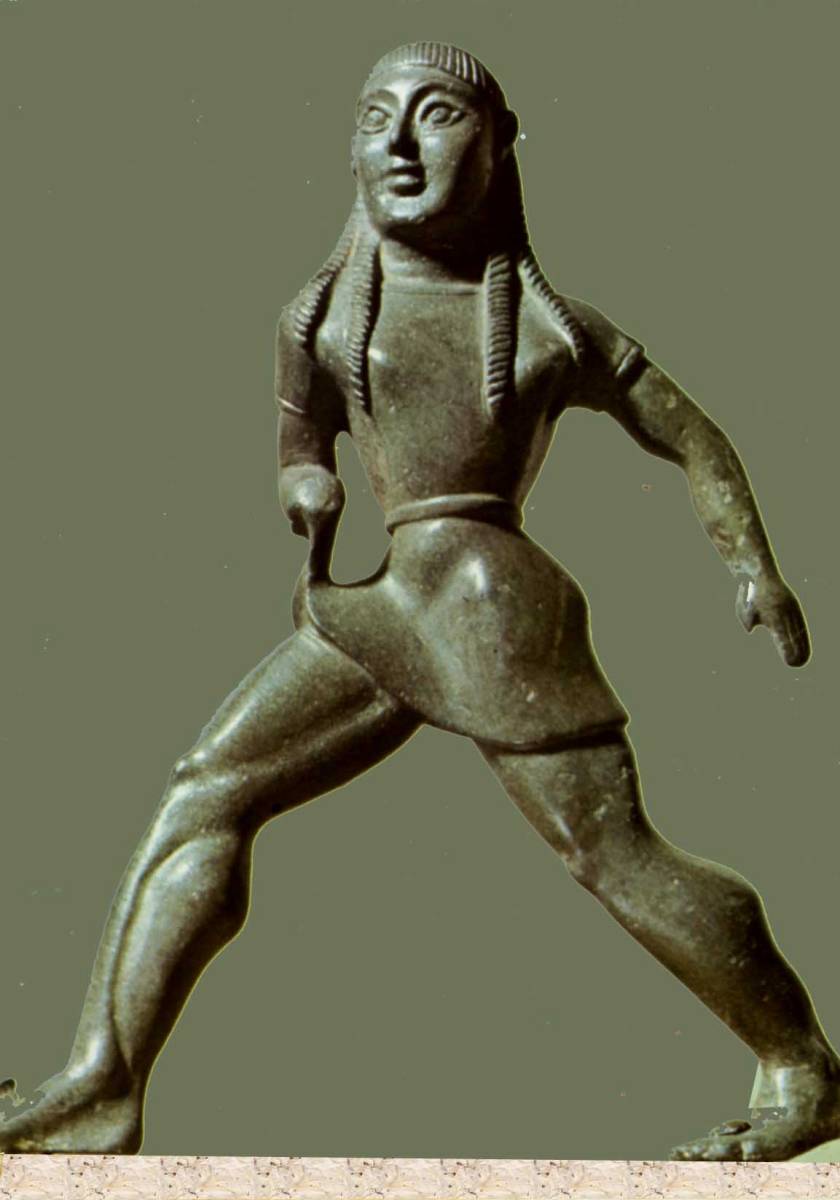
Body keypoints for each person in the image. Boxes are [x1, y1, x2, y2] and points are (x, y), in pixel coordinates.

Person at [0, 41, 836, 1161]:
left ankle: (801, 1064)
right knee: (206, 790)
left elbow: (693, 438)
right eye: (373, 118)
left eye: (436, 114)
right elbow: (300, 440)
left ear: (499, 146)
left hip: (493, 603)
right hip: (389, 601)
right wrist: (304, 482)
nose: (396, 143)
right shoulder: (321, 317)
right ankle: (101, 1085)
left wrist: (752, 567)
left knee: (612, 852)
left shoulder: (548, 327)